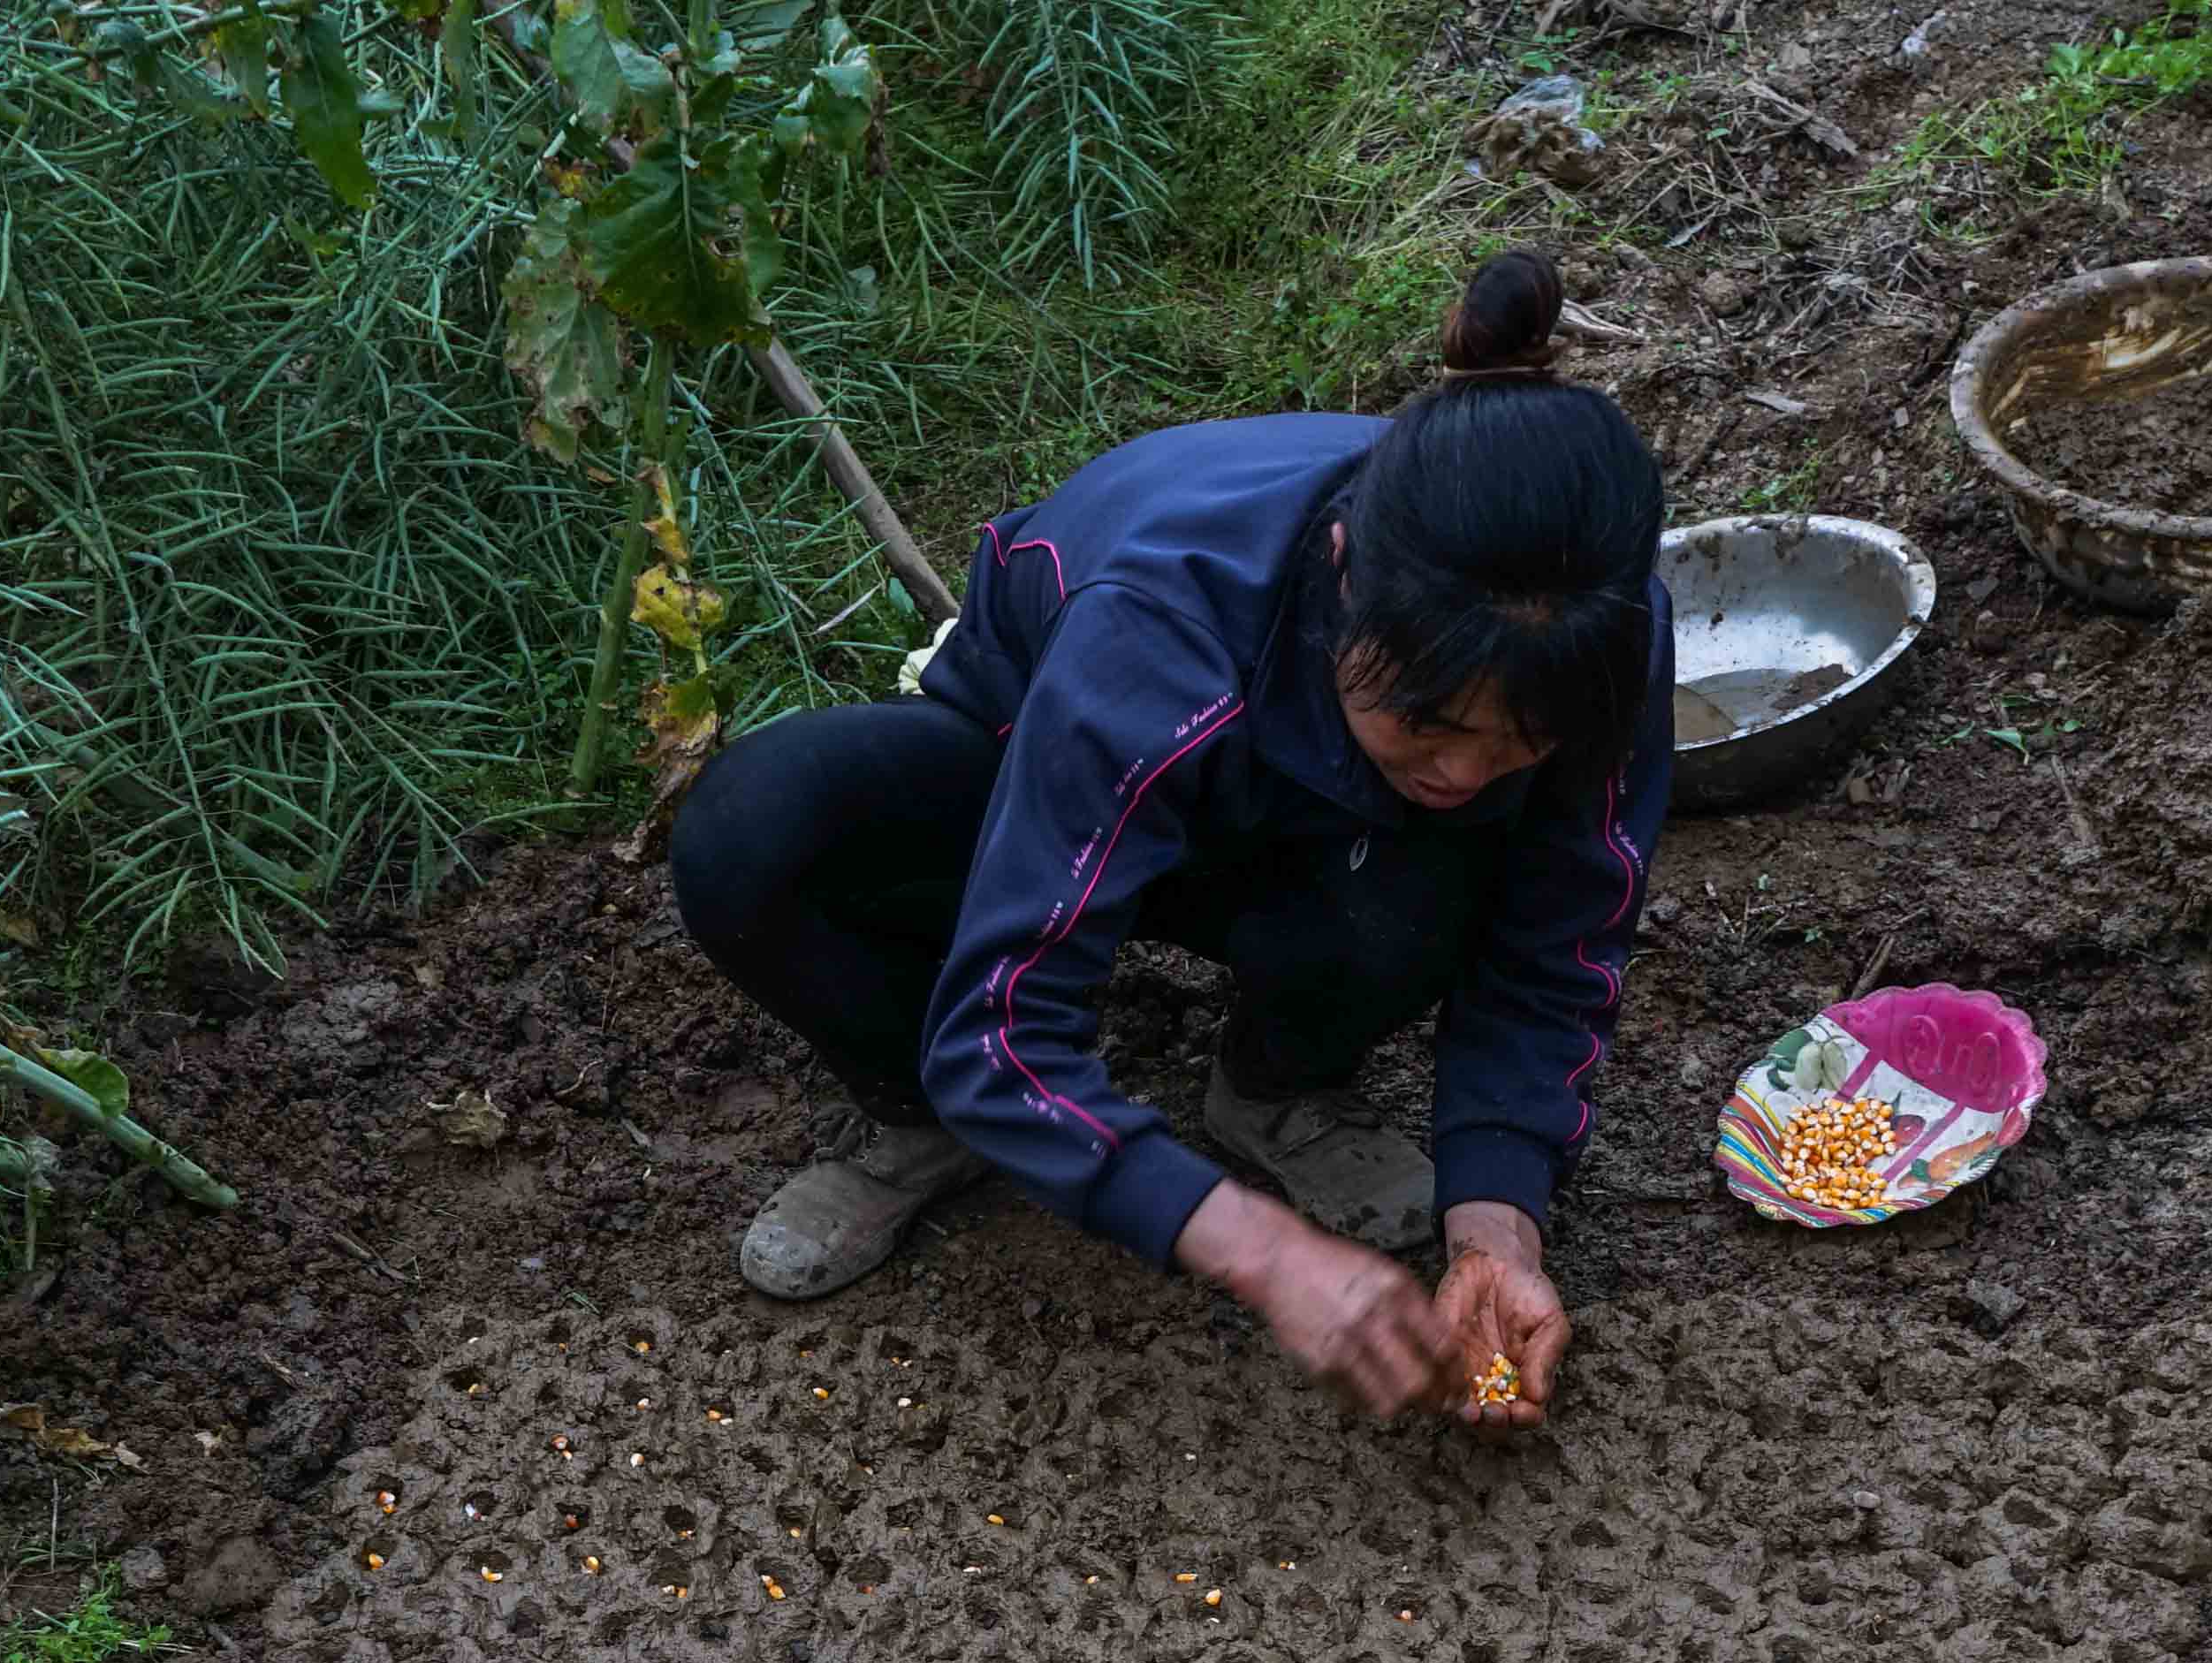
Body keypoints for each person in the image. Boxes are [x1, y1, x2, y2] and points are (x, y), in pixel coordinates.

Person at [665, 252, 1672, 1429]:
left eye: (1517, 746)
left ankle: (1279, 1085)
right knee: (752, 833)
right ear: (1345, 581)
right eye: (1430, 720)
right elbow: (1008, 1022)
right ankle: (923, 1113)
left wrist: (1497, 1213)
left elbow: (1560, 935)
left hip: (1319, 837)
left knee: (1419, 853)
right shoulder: (1162, 627)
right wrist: (1262, 1251)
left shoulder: (1599, 636)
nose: (1464, 766)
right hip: (1053, 784)